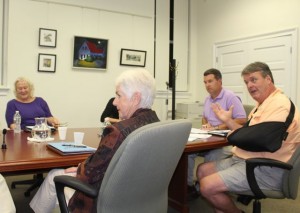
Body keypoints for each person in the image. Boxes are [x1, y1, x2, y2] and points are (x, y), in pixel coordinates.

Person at [30, 68, 159, 213]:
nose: (115, 102)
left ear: (135, 98)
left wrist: (82, 168)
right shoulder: (157, 124)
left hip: (103, 200)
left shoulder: (118, 131)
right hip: (138, 196)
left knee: (54, 175)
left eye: (119, 95)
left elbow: (88, 175)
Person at [197, 62, 300, 213]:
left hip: (266, 167)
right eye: (246, 82)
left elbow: (260, 139)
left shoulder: (279, 104)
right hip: (246, 159)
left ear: (268, 79)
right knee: (202, 170)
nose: (249, 85)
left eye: (254, 80)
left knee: (207, 186)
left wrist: (232, 135)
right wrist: (228, 121)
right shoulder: (262, 105)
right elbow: (248, 132)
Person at [187, 68, 247, 200]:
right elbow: (204, 117)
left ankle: (203, 188)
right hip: (209, 138)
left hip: (225, 142)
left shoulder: (230, 97)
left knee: (212, 156)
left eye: (210, 81)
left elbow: (242, 119)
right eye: (205, 82)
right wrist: (205, 124)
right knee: (188, 153)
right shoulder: (208, 99)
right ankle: (188, 186)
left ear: (219, 81)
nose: (207, 85)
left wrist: (218, 126)